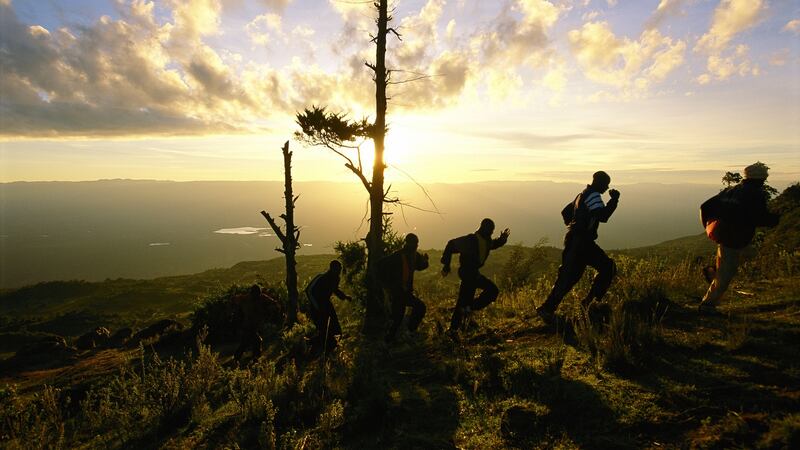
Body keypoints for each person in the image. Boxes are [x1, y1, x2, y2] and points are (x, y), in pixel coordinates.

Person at [536, 171, 620, 324]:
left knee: (569, 277)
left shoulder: (581, 195)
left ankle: (549, 308)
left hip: (576, 241)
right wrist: (614, 200)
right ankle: (588, 304)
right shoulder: (594, 195)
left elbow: (566, 212)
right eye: (606, 184)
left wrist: (574, 227)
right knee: (607, 267)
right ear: (598, 182)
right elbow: (603, 216)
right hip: (582, 243)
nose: (607, 187)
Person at [698, 162, 779, 314]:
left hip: (731, 237)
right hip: (733, 240)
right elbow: (758, 217)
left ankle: (714, 270)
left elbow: (704, 207)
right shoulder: (755, 194)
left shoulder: (731, 190)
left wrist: (708, 228)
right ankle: (707, 305)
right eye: (764, 178)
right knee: (725, 275)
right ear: (760, 179)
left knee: (751, 254)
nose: (764, 181)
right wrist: (775, 220)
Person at [441, 218, 510, 333]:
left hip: (473, 273)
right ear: (485, 229)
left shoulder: (485, 240)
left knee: (465, 300)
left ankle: (458, 324)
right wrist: (446, 265)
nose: (492, 233)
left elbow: (493, 244)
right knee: (490, 291)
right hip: (468, 273)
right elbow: (451, 244)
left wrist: (502, 239)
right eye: (491, 230)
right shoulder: (471, 240)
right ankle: (459, 321)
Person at [378, 233, 429, 343]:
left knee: (416, 309)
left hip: (405, 293)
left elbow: (421, 266)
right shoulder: (397, 256)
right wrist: (387, 286)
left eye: (416, 243)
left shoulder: (414, 256)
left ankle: (407, 333)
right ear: (408, 243)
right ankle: (395, 339)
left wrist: (426, 261)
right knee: (398, 318)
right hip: (397, 293)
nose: (416, 245)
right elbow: (380, 265)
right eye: (414, 243)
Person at [305, 260, 352, 352]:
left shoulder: (336, 279)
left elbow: (335, 290)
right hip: (317, 307)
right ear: (332, 268)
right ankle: (308, 345)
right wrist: (316, 306)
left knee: (336, 330)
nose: (339, 270)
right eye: (338, 269)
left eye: (340, 269)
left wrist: (345, 296)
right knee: (323, 331)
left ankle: (328, 350)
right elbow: (308, 291)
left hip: (327, 305)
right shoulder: (321, 277)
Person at [233, 284, 284, 361]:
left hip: (253, 325)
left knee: (249, 341)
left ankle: (249, 357)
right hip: (248, 325)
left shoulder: (260, 297)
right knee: (254, 341)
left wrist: (275, 305)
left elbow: (272, 302)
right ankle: (252, 357)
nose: (257, 296)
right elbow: (236, 300)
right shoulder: (247, 299)